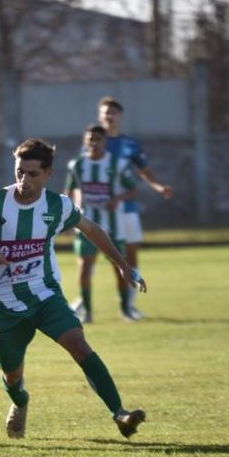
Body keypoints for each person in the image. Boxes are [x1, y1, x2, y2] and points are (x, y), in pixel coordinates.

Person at [0, 137, 148, 440]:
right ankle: (20, 401)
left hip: (46, 294)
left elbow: (92, 230)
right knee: (11, 374)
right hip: (5, 303)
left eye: (32, 174)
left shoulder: (58, 206)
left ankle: (120, 413)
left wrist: (122, 265)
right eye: (19, 172)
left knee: (80, 346)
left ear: (48, 174)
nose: (24, 180)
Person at [98, 96, 173, 320]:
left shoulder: (130, 144)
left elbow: (144, 171)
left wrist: (159, 187)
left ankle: (129, 304)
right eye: (104, 113)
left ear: (120, 116)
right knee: (105, 256)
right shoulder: (94, 142)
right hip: (103, 210)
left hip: (127, 208)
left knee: (131, 254)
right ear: (100, 116)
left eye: (112, 113)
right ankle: (87, 302)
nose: (108, 117)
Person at [66, 123, 138, 324]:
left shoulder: (118, 164)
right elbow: (69, 191)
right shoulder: (77, 165)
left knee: (119, 268)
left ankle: (125, 309)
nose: (94, 142)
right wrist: (67, 216)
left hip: (113, 227)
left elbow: (133, 189)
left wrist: (118, 199)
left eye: (98, 139)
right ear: (85, 140)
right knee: (84, 268)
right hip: (85, 226)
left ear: (104, 141)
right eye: (90, 138)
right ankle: (87, 312)